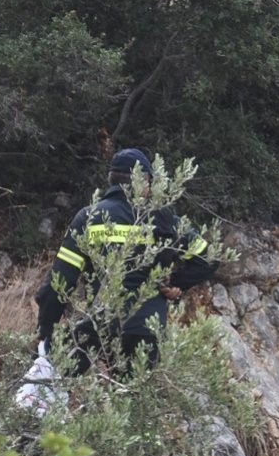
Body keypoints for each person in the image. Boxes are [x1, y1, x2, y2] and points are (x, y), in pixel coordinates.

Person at [34, 148, 217, 378]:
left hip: (100, 324)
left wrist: (45, 330)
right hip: (146, 329)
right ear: (144, 181)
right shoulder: (164, 219)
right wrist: (175, 282)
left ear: (112, 179)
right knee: (129, 403)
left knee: (54, 383)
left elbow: (59, 282)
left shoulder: (89, 217)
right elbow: (208, 259)